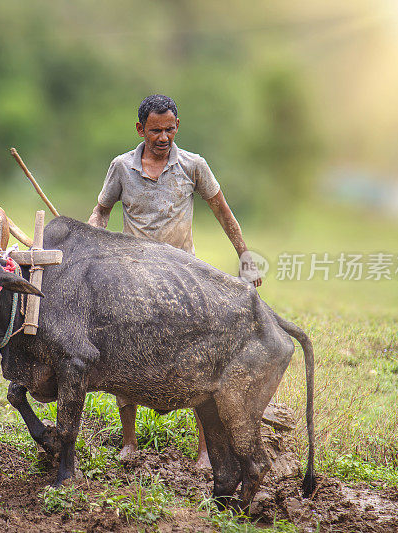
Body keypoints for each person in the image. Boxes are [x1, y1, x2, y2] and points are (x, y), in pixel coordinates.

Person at [88, 94, 262, 468]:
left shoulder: (193, 166)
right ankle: (130, 442)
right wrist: (90, 239)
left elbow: (223, 211)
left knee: (197, 361)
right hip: (132, 277)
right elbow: (101, 211)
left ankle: (204, 449)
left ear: (177, 127)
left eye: (169, 129)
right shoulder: (121, 167)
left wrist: (245, 254)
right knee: (123, 355)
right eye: (155, 130)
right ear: (140, 130)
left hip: (183, 280)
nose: (163, 137)